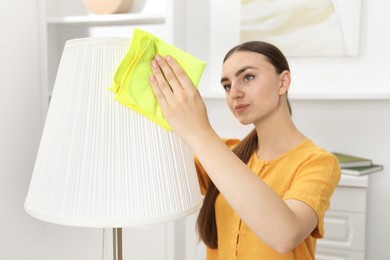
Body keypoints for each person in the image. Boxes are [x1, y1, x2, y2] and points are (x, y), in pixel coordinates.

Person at [149, 41, 341, 259]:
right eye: (227, 86)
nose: (234, 93)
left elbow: (285, 234)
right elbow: (152, 180)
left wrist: (200, 132)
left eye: (248, 77)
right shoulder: (224, 153)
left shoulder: (318, 162)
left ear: (283, 81)